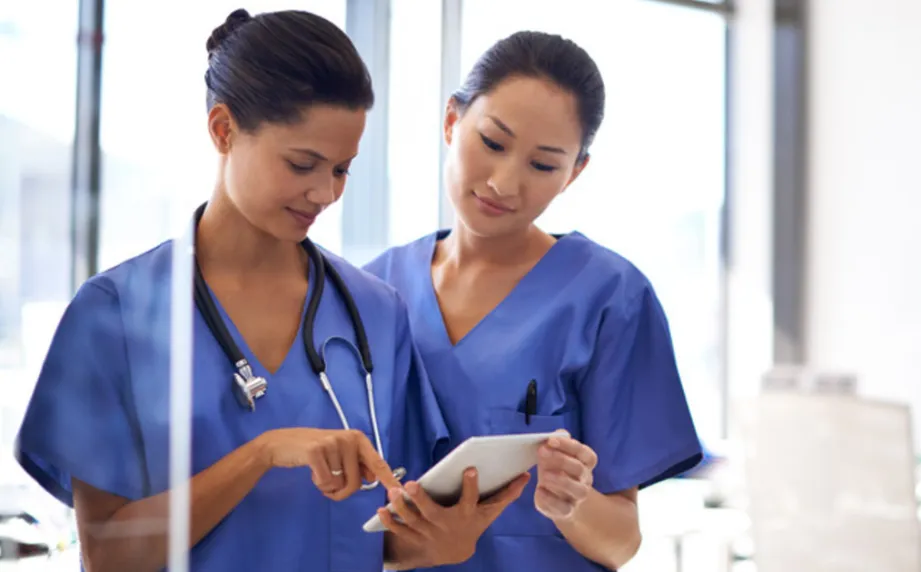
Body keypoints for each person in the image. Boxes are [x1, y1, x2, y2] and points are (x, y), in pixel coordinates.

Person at [15, 9, 526, 572]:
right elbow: (107, 554)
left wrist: (443, 544)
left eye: (341, 169)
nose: (324, 193)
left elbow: (385, 533)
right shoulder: (114, 315)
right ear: (223, 129)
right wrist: (263, 453)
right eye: (302, 164)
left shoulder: (375, 313)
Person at [365, 30, 703, 571]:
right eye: (493, 143)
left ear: (574, 173)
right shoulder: (372, 292)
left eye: (543, 165)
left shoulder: (610, 297)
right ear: (452, 121)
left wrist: (572, 504)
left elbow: (621, 541)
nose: (503, 183)